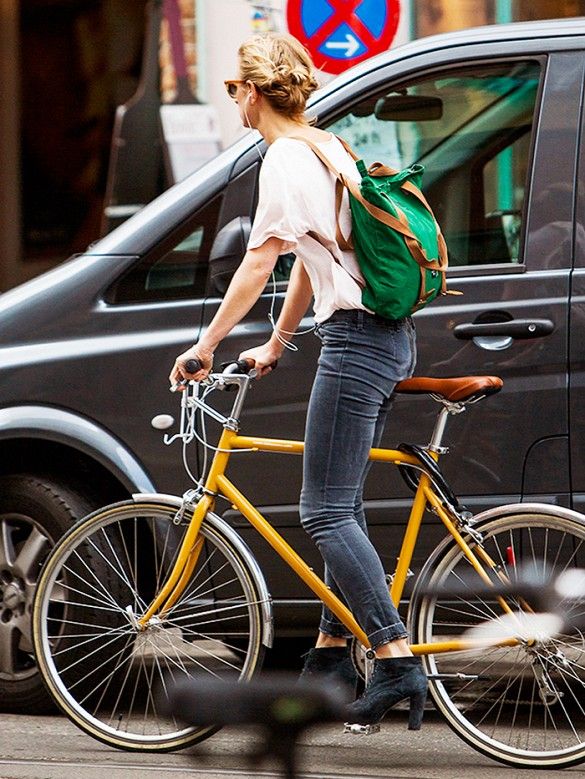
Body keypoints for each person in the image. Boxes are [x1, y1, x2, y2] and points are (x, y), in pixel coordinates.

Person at [169, 32, 427, 730]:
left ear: (251, 92)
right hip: (385, 338)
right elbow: (314, 262)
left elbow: (263, 261)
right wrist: (277, 345)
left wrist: (208, 343)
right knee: (340, 504)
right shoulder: (324, 145)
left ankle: (396, 657)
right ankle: (331, 651)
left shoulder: (283, 157)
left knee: (322, 511)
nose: (236, 106)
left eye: (234, 93)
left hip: (356, 346)